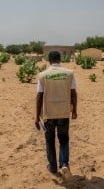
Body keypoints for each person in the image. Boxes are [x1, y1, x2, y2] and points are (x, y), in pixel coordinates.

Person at [35, 51, 78, 180]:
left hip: (49, 114)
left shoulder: (43, 75)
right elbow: (74, 93)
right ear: (60, 60)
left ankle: (53, 167)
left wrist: (37, 116)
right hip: (64, 112)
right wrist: (74, 110)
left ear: (49, 60)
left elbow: (39, 96)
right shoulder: (69, 74)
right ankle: (64, 163)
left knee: (49, 140)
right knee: (64, 139)